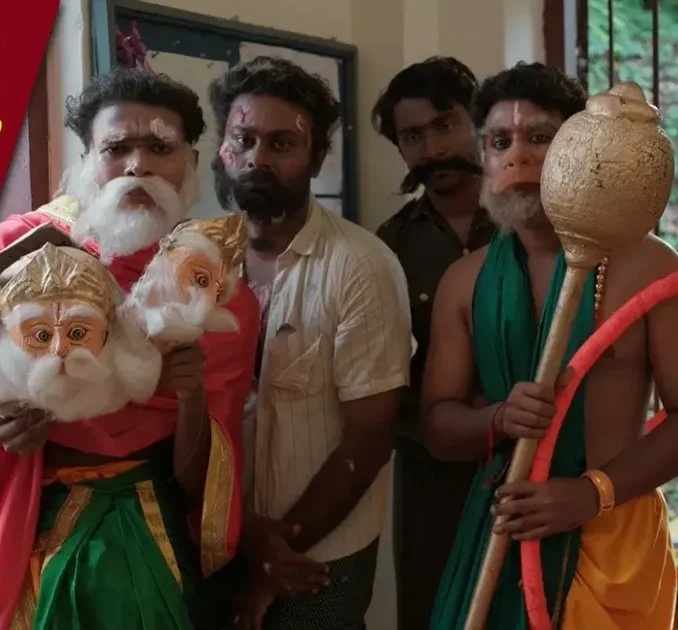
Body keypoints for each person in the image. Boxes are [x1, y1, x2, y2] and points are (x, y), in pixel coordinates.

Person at [0, 68, 259, 629]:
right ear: (87, 162)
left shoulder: (218, 296)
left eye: (159, 148)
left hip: (145, 528)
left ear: (191, 162)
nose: (137, 165)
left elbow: (200, 483)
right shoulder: (21, 253)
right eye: (116, 148)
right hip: (25, 523)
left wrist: (190, 395)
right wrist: (9, 429)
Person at [424, 62, 678, 629]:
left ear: (580, 150)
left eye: (539, 138)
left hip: (613, 537)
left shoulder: (652, 266)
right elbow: (438, 426)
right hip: (501, 533)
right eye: (500, 142)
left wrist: (590, 495)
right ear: (484, 160)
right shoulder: (463, 282)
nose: (517, 157)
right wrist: (497, 418)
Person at [209, 56, 413, 629]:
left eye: (281, 144)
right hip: (218, 543)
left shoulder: (361, 266)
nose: (257, 158)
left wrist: (274, 557)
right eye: (243, 139)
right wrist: (243, 542)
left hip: (318, 556)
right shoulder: (196, 258)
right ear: (223, 148)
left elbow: (370, 438)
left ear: (317, 157)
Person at [372, 57, 495, 630]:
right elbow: (379, 380)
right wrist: (449, 426)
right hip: (433, 481)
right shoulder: (388, 247)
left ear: (476, 121)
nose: (433, 149)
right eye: (412, 136)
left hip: (541, 468)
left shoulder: (536, 226)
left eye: (445, 125)